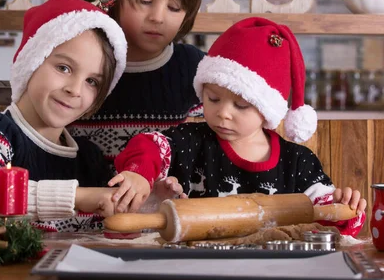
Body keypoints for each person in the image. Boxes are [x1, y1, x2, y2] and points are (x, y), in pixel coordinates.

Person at [112, 17, 366, 236]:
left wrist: (343, 207)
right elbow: (149, 144)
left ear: (267, 109)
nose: (223, 113)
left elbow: (328, 220)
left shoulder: (298, 163)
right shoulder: (190, 142)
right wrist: (139, 173)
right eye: (213, 99)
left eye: (241, 105)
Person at [0, 0, 180, 232]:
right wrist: (79, 197)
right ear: (33, 59)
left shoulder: (89, 158)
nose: (74, 89)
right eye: (63, 68)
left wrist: (147, 204)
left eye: (92, 81)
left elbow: (109, 222)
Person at [69, 0, 205, 171]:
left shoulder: (196, 70)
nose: (158, 17)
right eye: (145, 1)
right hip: (86, 204)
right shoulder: (85, 60)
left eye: (174, 7)